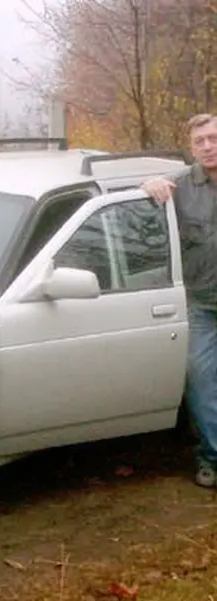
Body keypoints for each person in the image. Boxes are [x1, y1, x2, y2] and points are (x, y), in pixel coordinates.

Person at [142, 113, 217, 488]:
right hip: (201, 304)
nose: (207, 146)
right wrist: (149, 184)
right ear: (191, 148)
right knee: (202, 386)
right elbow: (143, 196)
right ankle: (212, 457)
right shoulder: (181, 185)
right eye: (199, 141)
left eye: (213, 138)